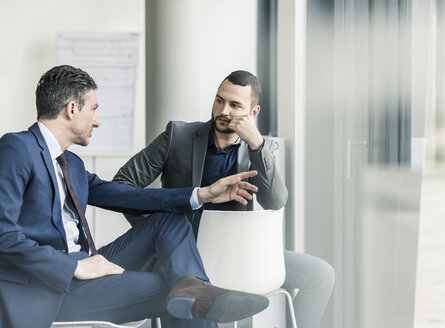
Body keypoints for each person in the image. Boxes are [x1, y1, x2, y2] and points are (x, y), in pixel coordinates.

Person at [0, 65, 270, 328]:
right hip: (51, 287)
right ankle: (194, 291)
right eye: (93, 109)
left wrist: (202, 195)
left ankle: (193, 289)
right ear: (72, 109)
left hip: (84, 268)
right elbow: (3, 235)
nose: (97, 120)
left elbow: (126, 196)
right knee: (175, 289)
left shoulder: (72, 164)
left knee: (174, 245)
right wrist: (71, 268)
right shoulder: (18, 148)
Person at [114, 70, 336, 328]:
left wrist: (257, 145)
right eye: (220, 100)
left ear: (253, 112)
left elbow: (276, 200)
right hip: (185, 254)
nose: (224, 111)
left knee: (321, 275)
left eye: (235, 105)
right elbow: (122, 185)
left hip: (240, 253)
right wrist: (157, 232)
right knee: (190, 310)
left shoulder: (261, 149)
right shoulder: (178, 136)